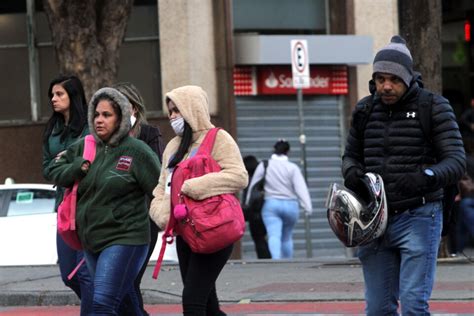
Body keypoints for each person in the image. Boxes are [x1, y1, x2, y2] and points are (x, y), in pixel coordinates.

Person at [342, 35, 466, 315]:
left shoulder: (433, 106)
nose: (386, 86)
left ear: (409, 78)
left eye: (394, 79)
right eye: (380, 78)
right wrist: (352, 172)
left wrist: (427, 176)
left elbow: (457, 161)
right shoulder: (364, 109)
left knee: (413, 306)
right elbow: (350, 155)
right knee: (377, 308)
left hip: (419, 217)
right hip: (374, 221)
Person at [49, 87, 161, 315]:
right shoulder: (86, 146)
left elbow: (159, 191)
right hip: (91, 239)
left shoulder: (137, 151)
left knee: (102, 304)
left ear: (120, 117)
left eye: (107, 115)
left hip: (125, 238)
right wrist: (76, 168)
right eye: (96, 114)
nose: (99, 120)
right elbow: (52, 169)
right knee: (123, 305)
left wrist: (170, 220)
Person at [149, 85, 248, 315]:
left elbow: (239, 176)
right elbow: (163, 186)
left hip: (214, 228)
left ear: (192, 109)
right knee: (207, 305)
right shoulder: (173, 146)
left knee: (192, 302)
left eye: (177, 110)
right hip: (186, 232)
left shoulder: (218, 138)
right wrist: (158, 212)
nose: (172, 116)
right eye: (170, 111)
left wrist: (196, 186)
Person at [42, 75, 92, 315]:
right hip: (64, 206)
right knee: (68, 275)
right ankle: (107, 305)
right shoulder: (52, 129)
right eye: (52, 94)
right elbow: (47, 169)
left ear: (73, 96)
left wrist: (66, 163)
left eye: (59, 94)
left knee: (85, 273)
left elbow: (89, 165)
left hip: (88, 207)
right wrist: (71, 165)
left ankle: (100, 309)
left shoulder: (90, 126)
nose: (54, 99)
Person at [113, 82, 165, 316]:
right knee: (118, 285)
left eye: (120, 106)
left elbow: (157, 174)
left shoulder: (149, 134)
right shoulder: (106, 137)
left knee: (129, 281)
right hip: (113, 220)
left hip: (143, 220)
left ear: (134, 109)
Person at [246, 140, 312, 259]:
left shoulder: (265, 165)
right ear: (288, 152)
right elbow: (301, 188)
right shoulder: (293, 168)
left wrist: (248, 202)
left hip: (271, 205)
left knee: (273, 235)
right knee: (286, 236)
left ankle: (276, 262)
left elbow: (253, 184)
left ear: (273, 149)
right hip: (291, 205)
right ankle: (288, 261)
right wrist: (307, 206)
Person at [242, 155, 271, 259]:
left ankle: (265, 259)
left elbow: (247, 199)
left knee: (259, 239)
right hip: (265, 212)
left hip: (255, 215)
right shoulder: (264, 177)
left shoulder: (249, 180)